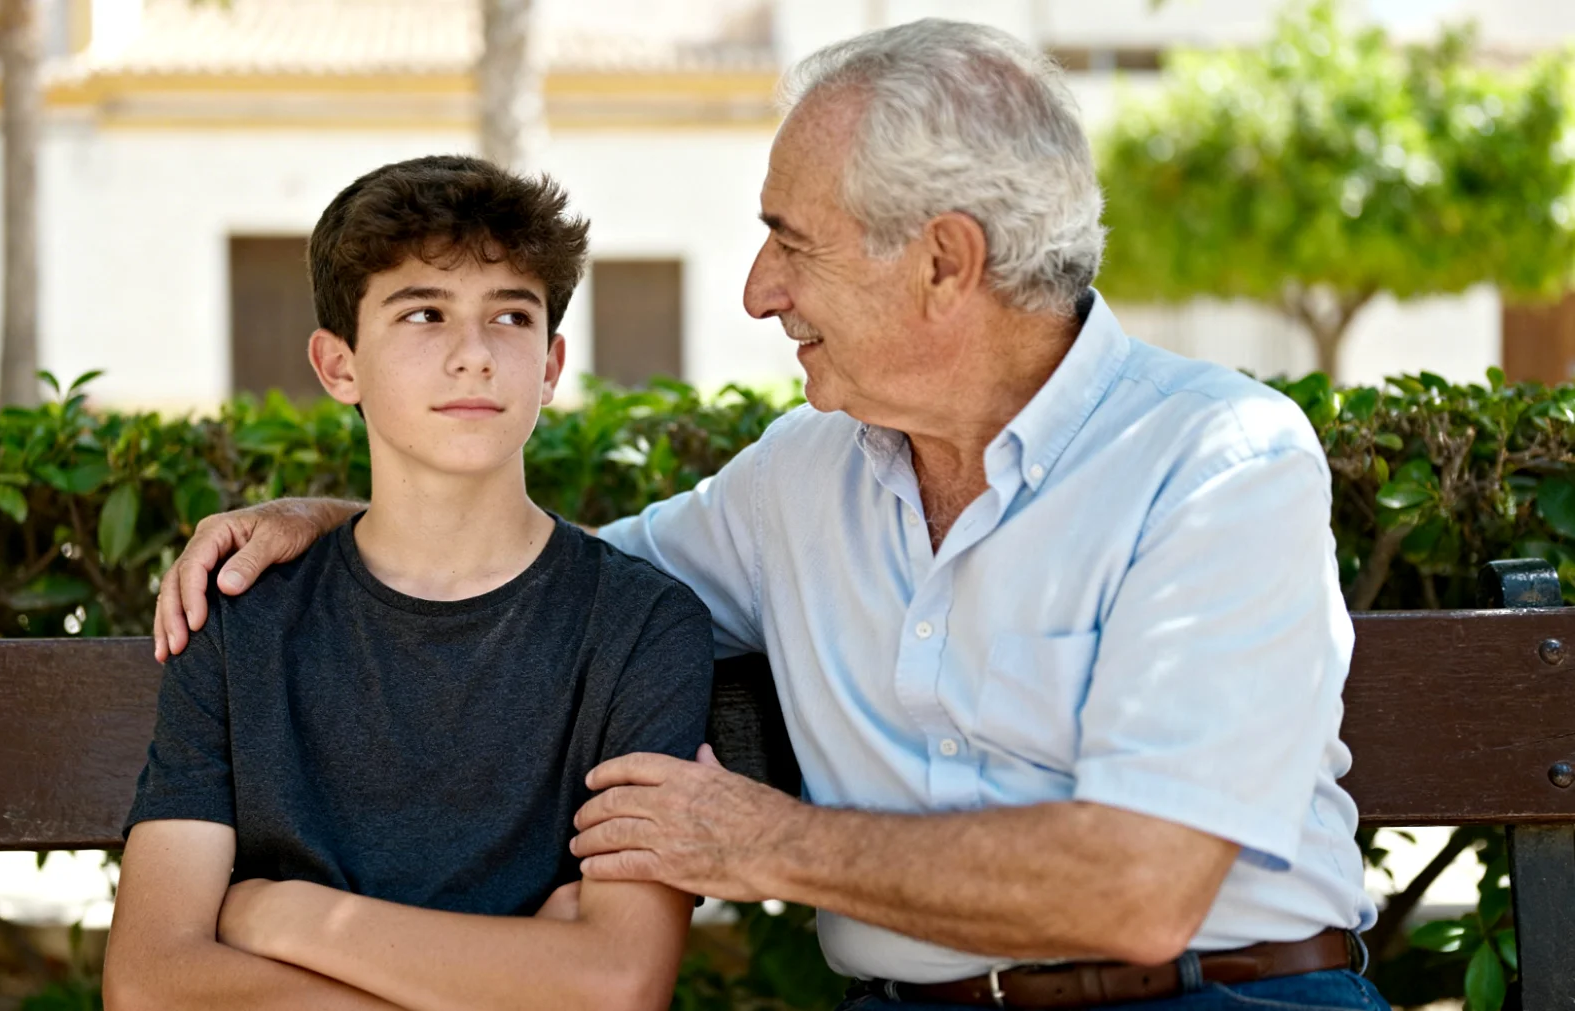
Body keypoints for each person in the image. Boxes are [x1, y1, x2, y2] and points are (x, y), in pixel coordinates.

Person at [153, 21, 1387, 1011]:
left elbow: (1139, 890)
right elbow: (524, 574)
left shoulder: (1217, 463)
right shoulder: (804, 475)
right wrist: (330, 518)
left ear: (945, 263)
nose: (758, 293)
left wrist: (767, 844)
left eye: (790, 245)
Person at [103, 155, 714, 1011]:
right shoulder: (241, 617)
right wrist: (521, 973)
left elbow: (614, 982)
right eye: (424, 313)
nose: (474, 356)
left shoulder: (642, 627)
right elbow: (149, 980)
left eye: (510, 316)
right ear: (338, 365)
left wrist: (283, 915)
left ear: (550, 362)